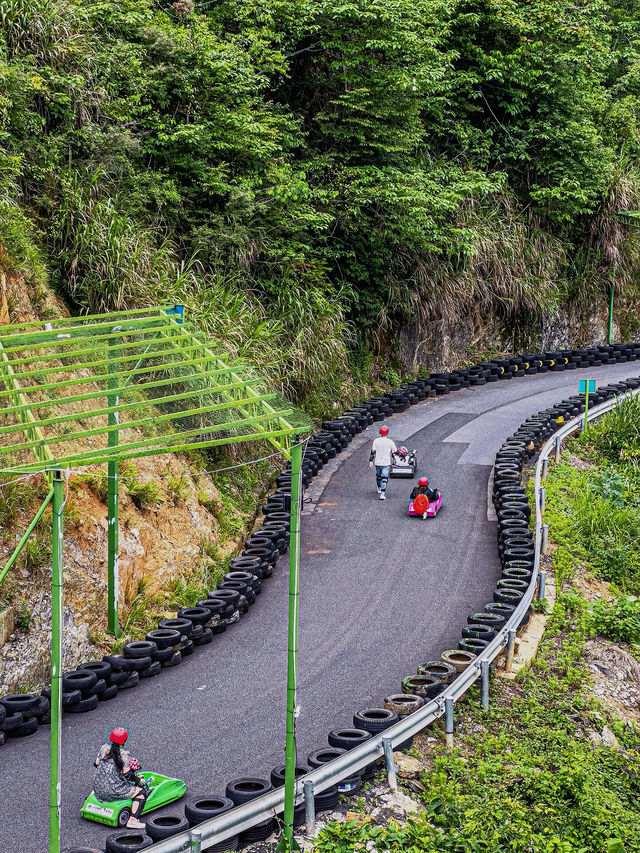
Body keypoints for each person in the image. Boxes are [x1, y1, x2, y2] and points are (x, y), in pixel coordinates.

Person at [93, 727, 147, 829]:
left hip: (98, 789)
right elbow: (128, 775)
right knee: (142, 793)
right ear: (124, 741)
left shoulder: (103, 748)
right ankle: (133, 820)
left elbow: (96, 764)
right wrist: (139, 780)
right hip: (113, 790)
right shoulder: (124, 755)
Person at [369, 425, 398, 500]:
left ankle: (379, 487)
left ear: (380, 432)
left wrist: (370, 461)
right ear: (387, 432)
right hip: (386, 463)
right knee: (384, 478)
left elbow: (373, 452)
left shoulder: (376, 441)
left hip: (378, 463)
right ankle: (382, 494)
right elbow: (395, 452)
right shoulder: (390, 442)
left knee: (378, 477)